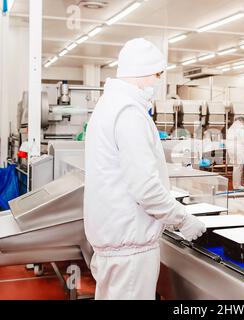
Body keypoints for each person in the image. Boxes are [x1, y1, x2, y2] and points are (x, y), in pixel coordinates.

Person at [84, 38, 206, 300]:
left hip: (116, 244)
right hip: (130, 251)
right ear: (143, 73)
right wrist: (182, 220)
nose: (158, 82)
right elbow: (146, 187)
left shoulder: (109, 106)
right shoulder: (129, 113)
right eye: (157, 75)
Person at [226, 117, 244, 190]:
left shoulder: (232, 127)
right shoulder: (240, 127)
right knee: (238, 167)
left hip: (232, 149)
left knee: (236, 167)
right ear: (241, 120)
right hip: (238, 149)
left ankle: (237, 185)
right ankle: (237, 186)